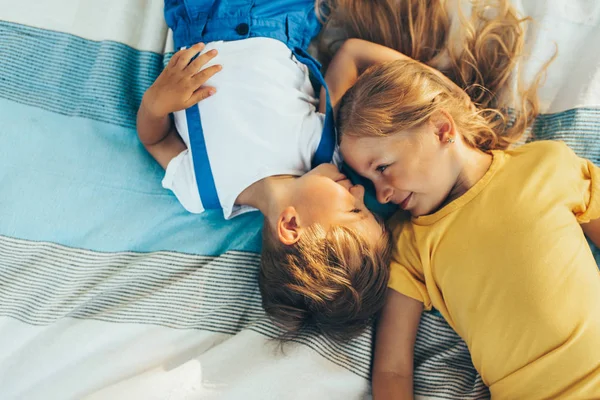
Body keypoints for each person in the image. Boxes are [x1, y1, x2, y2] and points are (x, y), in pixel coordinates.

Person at [320, 0, 600, 397]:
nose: (379, 192)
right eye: (367, 177)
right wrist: (348, 53)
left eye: (382, 167)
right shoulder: (410, 242)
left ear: (440, 129)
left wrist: (356, 52)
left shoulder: (545, 165)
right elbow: (392, 369)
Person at [136, 0, 392, 341]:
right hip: (275, 15)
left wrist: (157, 103)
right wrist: (435, 86)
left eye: (354, 209)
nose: (359, 191)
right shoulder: (323, 149)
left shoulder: (203, 189)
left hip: (197, 19)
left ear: (290, 224)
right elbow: (349, 58)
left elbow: (156, 140)